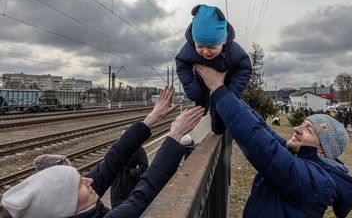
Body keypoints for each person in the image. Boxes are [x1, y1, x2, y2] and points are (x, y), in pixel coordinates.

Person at [1, 87, 205, 218]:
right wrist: (174, 136)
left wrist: (150, 119)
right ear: (65, 208)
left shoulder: (75, 205)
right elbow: (142, 196)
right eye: (80, 184)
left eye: (81, 177)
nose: (89, 180)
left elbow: (111, 162)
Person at [196, 64, 352, 218]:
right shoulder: (303, 160)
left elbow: (260, 143)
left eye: (308, 130)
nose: (297, 129)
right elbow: (260, 127)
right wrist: (227, 91)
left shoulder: (315, 181)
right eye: (302, 124)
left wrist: (218, 88)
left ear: (323, 150)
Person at [176, 4, 252, 134]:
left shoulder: (233, 52)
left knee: (220, 103)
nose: (206, 52)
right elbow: (181, 63)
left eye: (211, 47)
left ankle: (218, 127)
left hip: (225, 80)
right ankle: (202, 108)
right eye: (200, 46)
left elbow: (245, 68)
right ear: (194, 41)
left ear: (223, 40)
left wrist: (232, 92)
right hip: (201, 77)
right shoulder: (189, 49)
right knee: (198, 95)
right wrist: (191, 86)